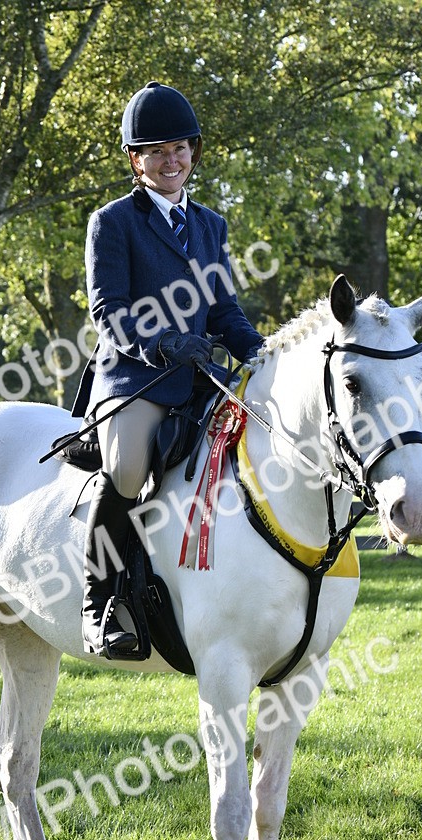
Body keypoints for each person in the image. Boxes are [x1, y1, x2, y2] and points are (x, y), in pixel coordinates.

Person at [72, 80, 264, 659]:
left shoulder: (210, 225)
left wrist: (260, 351)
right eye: (156, 151)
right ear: (137, 161)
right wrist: (160, 346)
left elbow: (224, 309)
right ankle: (97, 600)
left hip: (201, 378)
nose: (170, 159)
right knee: (128, 470)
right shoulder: (113, 222)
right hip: (138, 377)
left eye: (179, 148)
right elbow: (109, 311)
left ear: (193, 153)